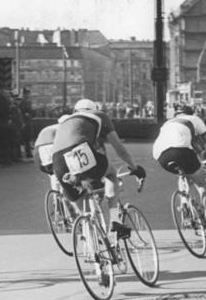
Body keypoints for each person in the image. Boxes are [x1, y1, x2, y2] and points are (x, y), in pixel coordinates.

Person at [51, 98, 146, 232]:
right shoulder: (99, 115)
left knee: (83, 208)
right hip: (79, 151)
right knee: (112, 173)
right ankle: (114, 220)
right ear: (94, 108)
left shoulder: (66, 121)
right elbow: (120, 150)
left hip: (57, 160)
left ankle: (90, 235)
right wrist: (135, 168)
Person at [152, 105, 206, 231]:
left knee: (183, 174)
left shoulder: (168, 123)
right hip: (181, 150)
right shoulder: (194, 119)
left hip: (160, 155)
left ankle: (184, 204)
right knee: (202, 185)